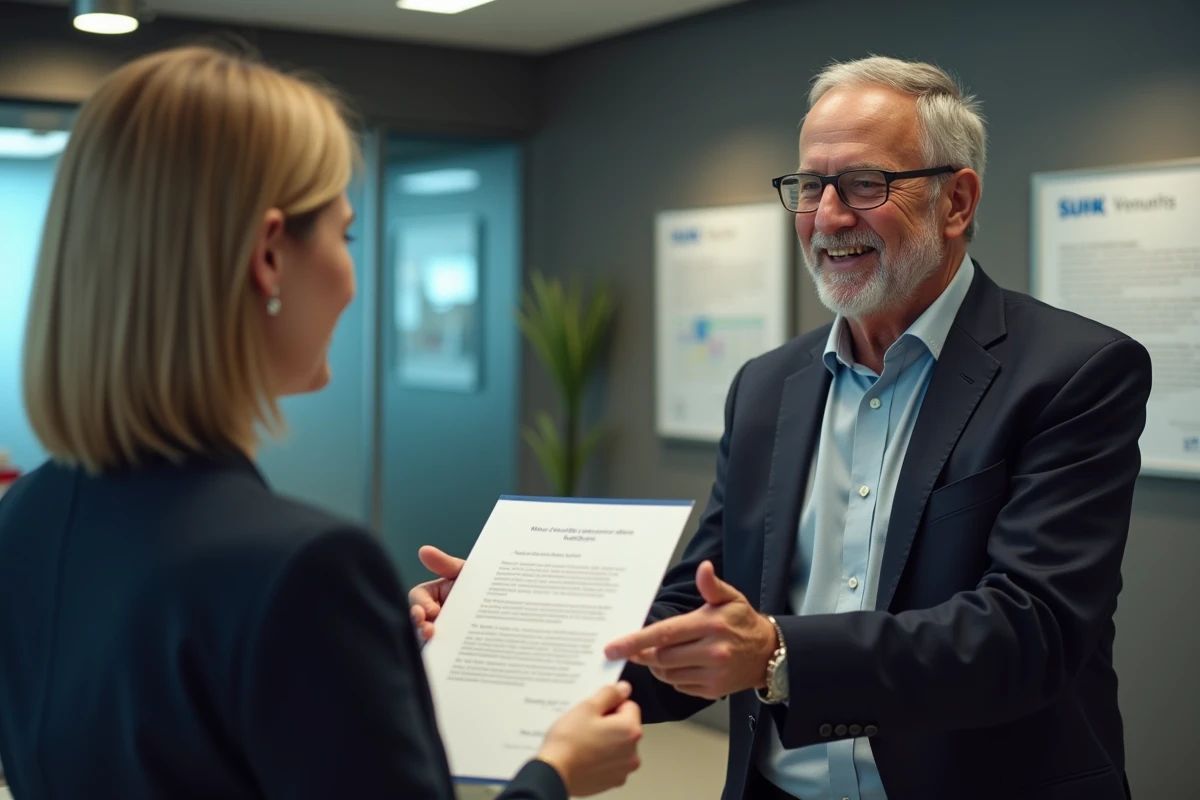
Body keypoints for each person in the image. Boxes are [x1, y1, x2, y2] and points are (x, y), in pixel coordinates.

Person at [412, 56, 1151, 800]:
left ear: (955, 201)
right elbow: (700, 615)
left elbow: (1030, 633)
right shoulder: (768, 386)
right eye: (809, 186)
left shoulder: (1074, 373)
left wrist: (778, 653)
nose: (827, 217)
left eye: (865, 184)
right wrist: (519, 618)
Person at [0, 46, 642, 800]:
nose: (351, 278)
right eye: (345, 235)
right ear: (269, 256)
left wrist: (356, 662)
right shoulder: (303, 568)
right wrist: (556, 773)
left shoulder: (28, 515)